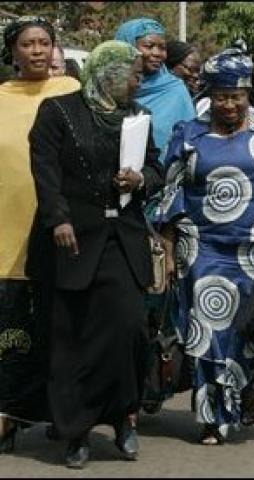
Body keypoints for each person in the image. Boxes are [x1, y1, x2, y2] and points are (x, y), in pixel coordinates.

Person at [155, 40, 254, 446]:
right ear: (210, 95)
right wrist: (169, 253)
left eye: (237, 97)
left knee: (253, 331)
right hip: (201, 246)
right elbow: (172, 194)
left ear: (248, 95)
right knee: (206, 330)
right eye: (222, 97)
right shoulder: (188, 135)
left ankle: (244, 386)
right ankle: (210, 418)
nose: (229, 105)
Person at [28, 39, 164, 469]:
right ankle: (76, 432)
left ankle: (123, 418)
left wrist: (141, 179)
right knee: (71, 338)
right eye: (132, 74)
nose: (138, 82)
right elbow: (45, 170)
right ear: (107, 73)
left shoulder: (138, 117)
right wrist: (59, 218)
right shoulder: (59, 112)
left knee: (128, 329)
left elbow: (158, 167)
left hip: (121, 241)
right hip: (69, 241)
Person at [0, 15, 80, 454]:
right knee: (11, 332)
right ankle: (8, 415)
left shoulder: (71, 92)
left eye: (44, 43)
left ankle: (61, 417)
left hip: (63, 232)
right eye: (27, 43)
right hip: (6, 233)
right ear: (12, 51)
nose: (37, 51)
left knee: (61, 329)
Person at [114, 18, 196, 164]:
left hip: (164, 179)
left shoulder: (175, 91)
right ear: (127, 46)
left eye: (162, 48)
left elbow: (191, 140)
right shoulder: (109, 91)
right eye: (149, 46)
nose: (157, 53)